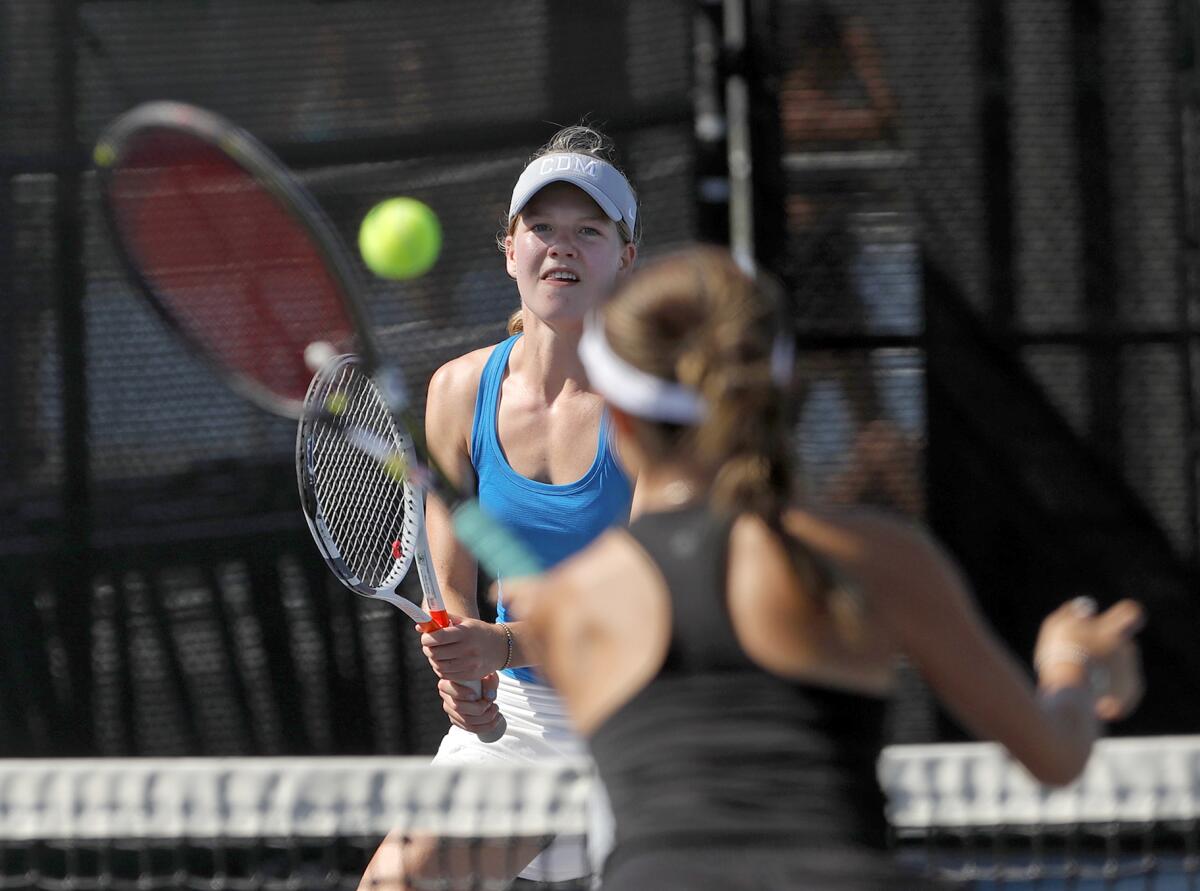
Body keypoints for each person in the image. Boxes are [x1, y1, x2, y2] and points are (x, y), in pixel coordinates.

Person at [506, 246, 1145, 890]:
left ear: (617, 416)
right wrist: (1069, 663)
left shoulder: (572, 607)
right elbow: (1057, 757)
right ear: (780, 391)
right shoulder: (875, 556)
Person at [357, 124, 640, 890]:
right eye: (541, 228)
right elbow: (447, 551)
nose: (562, 247)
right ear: (509, 249)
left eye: (588, 230)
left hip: (646, 718)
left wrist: (501, 645)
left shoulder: (657, 409)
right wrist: (464, 665)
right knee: (395, 884)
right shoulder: (457, 390)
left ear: (625, 257)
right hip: (526, 719)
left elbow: (644, 602)